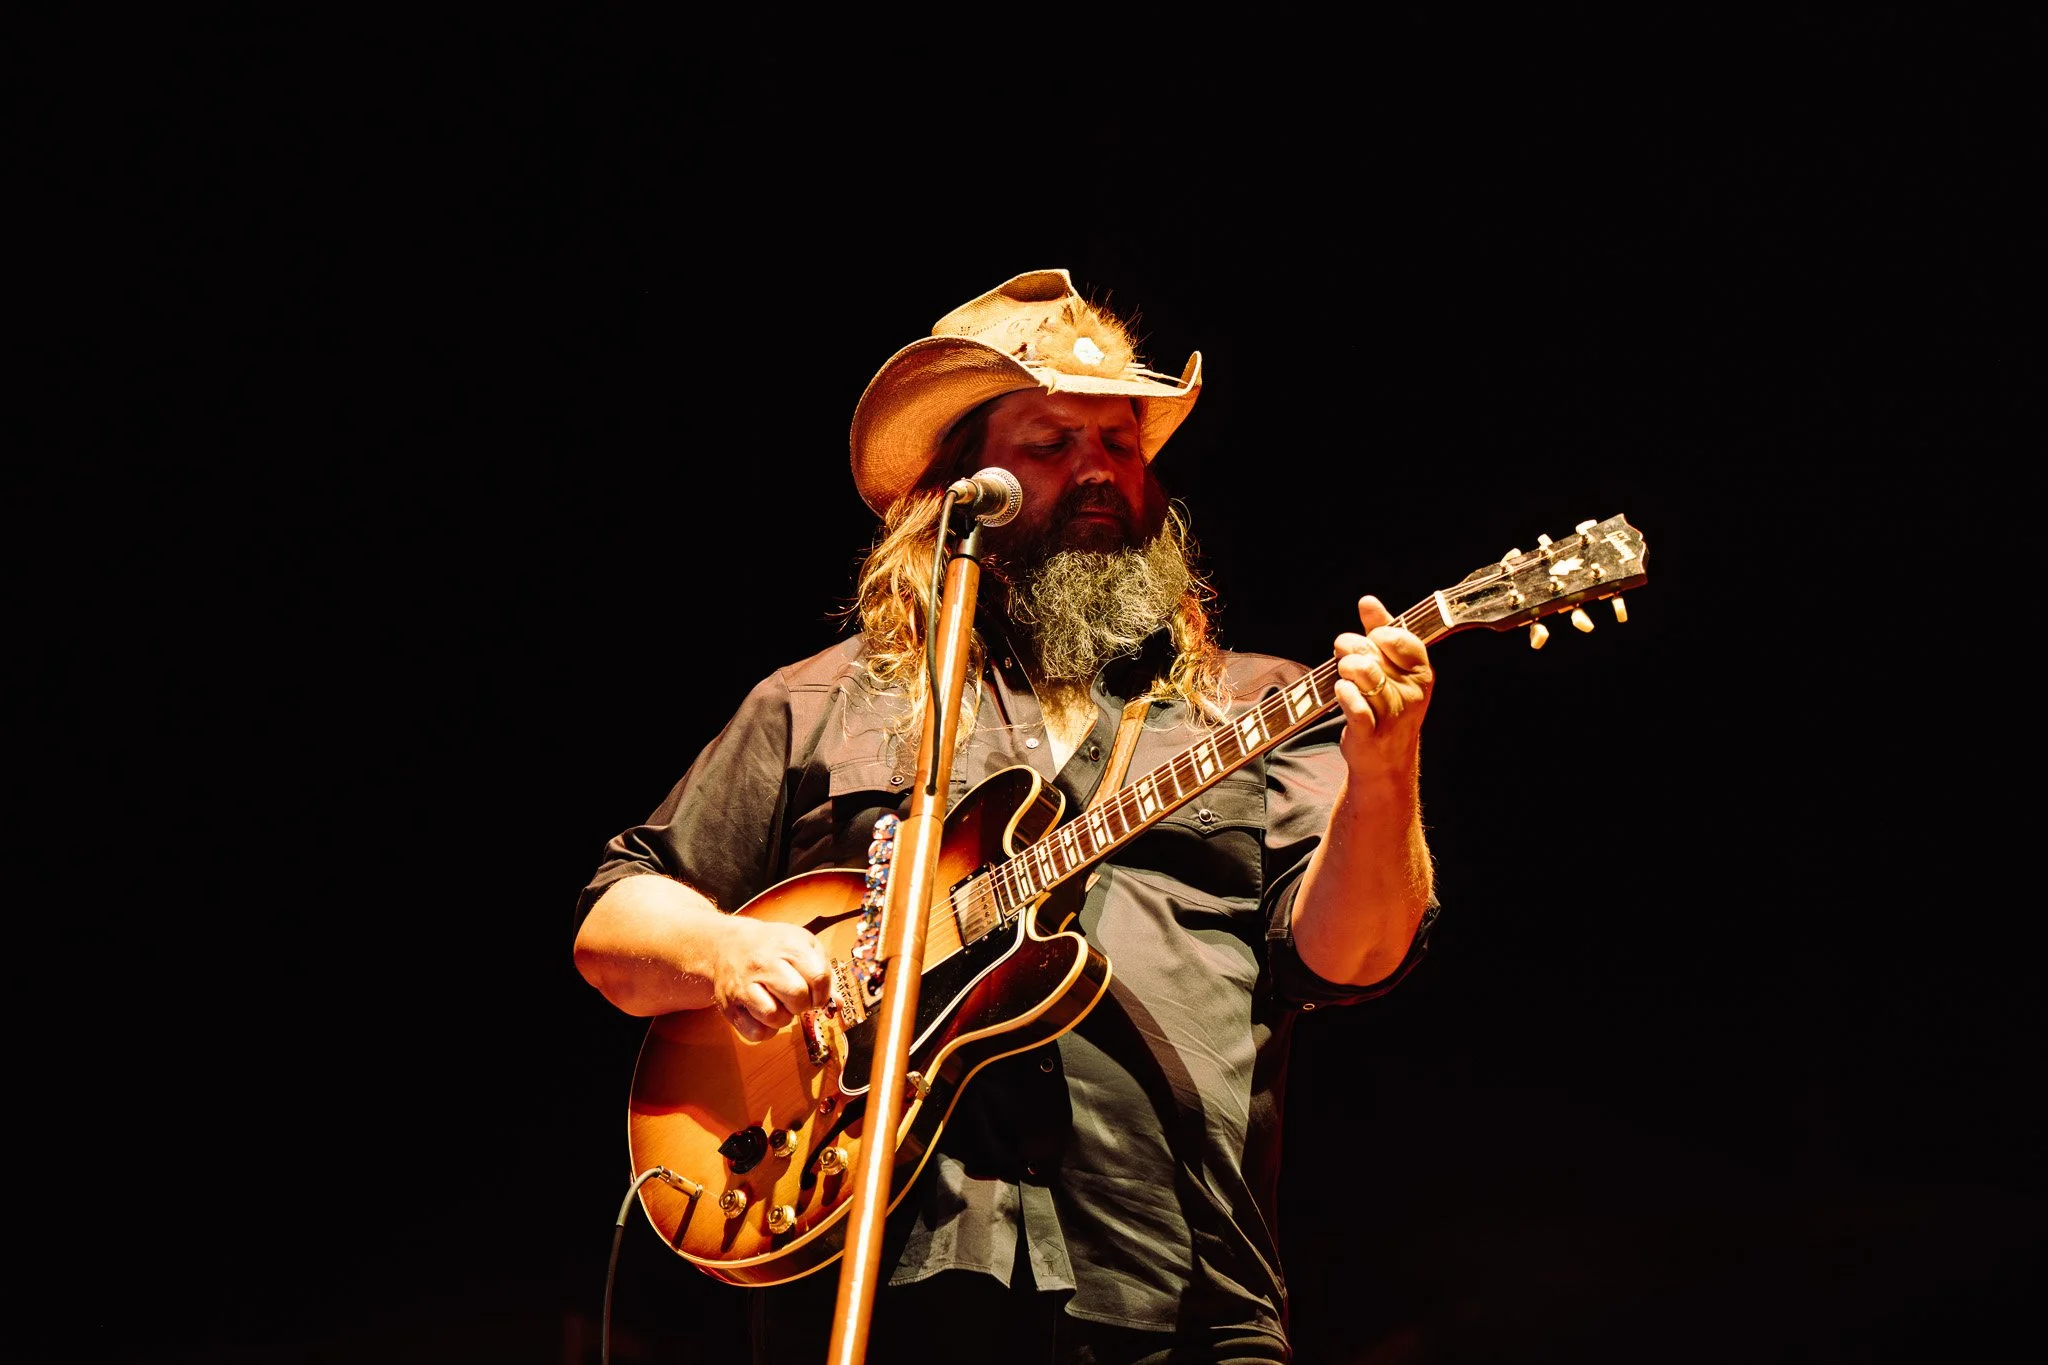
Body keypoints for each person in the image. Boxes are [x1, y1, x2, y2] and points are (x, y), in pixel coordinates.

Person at [572, 268, 1440, 1364]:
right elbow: (613, 927)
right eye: (1048, 443)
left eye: (1119, 445)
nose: (1097, 472)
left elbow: (1352, 957)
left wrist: (1384, 767)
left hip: (1174, 1285)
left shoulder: (1252, 706)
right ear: (951, 485)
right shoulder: (819, 702)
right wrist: (726, 949)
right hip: (878, 1273)